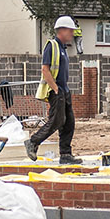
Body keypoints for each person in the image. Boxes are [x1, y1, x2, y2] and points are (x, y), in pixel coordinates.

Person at [25, 16, 82, 164]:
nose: (72, 34)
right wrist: (55, 89)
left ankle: (66, 154)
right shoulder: (52, 45)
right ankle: (33, 141)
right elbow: (45, 69)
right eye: (70, 31)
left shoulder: (63, 48)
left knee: (69, 123)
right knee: (57, 121)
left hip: (64, 90)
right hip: (56, 91)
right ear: (61, 30)